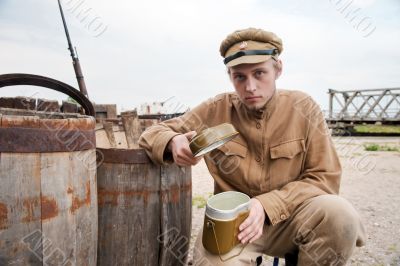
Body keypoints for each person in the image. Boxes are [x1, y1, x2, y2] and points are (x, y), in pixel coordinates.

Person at [139, 27, 366, 266]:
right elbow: (152, 133)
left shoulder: (304, 107)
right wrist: (173, 140)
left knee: (340, 215)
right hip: (234, 225)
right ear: (230, 76)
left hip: (293, 217)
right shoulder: (216, 109)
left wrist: (266, 204)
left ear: (278, 69)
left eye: (259, 73)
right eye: (239, 77)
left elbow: (324, 178)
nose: (250, 86)